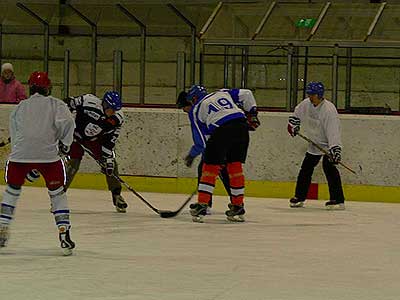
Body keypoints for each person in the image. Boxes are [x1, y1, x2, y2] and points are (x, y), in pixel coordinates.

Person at [0, 71, 76, 255]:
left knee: (12, 191)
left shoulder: (21, 106)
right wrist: (64, 144)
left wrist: (22, 152)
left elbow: (16, 131)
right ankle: (64, 233)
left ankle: (2, 229)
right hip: (48, 157)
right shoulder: (56, 104)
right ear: (47, 88)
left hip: (20, 157)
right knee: (57, 194)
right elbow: (68, 123)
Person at [180, 85, 259, 222]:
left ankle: (203, 205)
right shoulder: (222, 92)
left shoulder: (196, 109)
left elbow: (201, 142)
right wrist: (252, 114)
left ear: (194, 99)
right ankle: (238, 206)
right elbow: (247, 93)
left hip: (222, 129)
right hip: (242, 126)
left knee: (209, 167)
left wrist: (192, 155)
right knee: (234, 168)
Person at [63, 92, 128, 213]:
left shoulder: (117, 118)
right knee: (73, 162)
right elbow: (68, 103)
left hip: (96, 140)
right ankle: (59, 196)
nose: (113, 112)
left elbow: (110, 141)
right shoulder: (88, 101)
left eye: (115, 110)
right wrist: (67, 124)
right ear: (105, 104)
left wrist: (107, 159)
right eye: (112, 109)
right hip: (76, 136)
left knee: (111, 164)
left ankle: (116, 195)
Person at [287, 81, 345, 210]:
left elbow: (333, 131)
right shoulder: (306, 104)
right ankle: (299, 197)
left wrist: (335, 149)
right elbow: (296, 114)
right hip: (314, 143)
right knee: (306, 169)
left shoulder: (329, 110)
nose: (310, 97)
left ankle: (337, 199)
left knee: (329, 169)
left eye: (312, 94)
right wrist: (293, 125)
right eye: (309, 94)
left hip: (327, 144)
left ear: (319, 95)